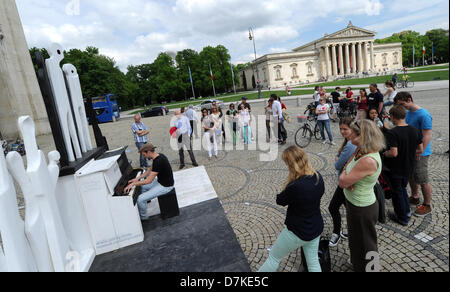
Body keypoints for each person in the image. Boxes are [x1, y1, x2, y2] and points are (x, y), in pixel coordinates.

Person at [258, 146, 324, 272]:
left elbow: (280, 200)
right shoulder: (318, 177)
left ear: (291, 164)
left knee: (273, 257)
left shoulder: (295, 186)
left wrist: (289, 182)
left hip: (297, 231)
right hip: (315, 227)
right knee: (313, 262)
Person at [339, 119, 385, 272]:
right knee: (355, 239)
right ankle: (359, 265)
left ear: (364, 136)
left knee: (367, 243)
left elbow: (342, 181)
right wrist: (348, 175)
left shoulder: (368, 159)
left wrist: (347, 177)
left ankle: (372, 269)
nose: (350, 136)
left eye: (353, 134)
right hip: (353, 203)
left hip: (362, 208)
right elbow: (347, 167)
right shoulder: (360, 150)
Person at [383, 105, 424, 226]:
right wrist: (409, 152)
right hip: (409, 166)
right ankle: (406, 212)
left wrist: (385, 153)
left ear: (393, 116)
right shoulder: (415, 130)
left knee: (397, 191)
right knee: (403, 189)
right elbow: (420, 149)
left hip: (396, 167)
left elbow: (393, 153)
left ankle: (402, 217)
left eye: (390, 116)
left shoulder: (393, 132)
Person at [395, 92, 433, 217]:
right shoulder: (407, 113)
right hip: (409, 152)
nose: (401, 107)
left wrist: (420, 151)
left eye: (402, 104)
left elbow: (427, 134)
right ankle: (415, 196)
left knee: (422, 179)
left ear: (409, 100)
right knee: (411, 175)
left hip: (421, 153)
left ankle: (427, 205)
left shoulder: (424, 114)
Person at [124, 144, 174, 221]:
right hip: (160, 181)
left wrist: (133, 184)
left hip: (166, 186)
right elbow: (148, 171)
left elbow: (148, 181)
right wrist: (137, 179)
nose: (144, 157)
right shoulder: (158, 156)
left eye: (144, 155)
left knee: (139, 199)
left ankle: (144, 218)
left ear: (149, 152)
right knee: (141, 187)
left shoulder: (158, 161)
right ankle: (145, 203)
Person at [328, 117, 357, 247]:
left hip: (346, 182)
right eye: (340, 129)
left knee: (333, 207)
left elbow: (338, 164)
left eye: (345, 129)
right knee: (349, 208)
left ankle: (336, 233)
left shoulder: (350, 144)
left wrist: (337, 159)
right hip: (348, 181)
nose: (342, 131)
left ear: (352, 129)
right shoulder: (349, 142)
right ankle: (352, 231)